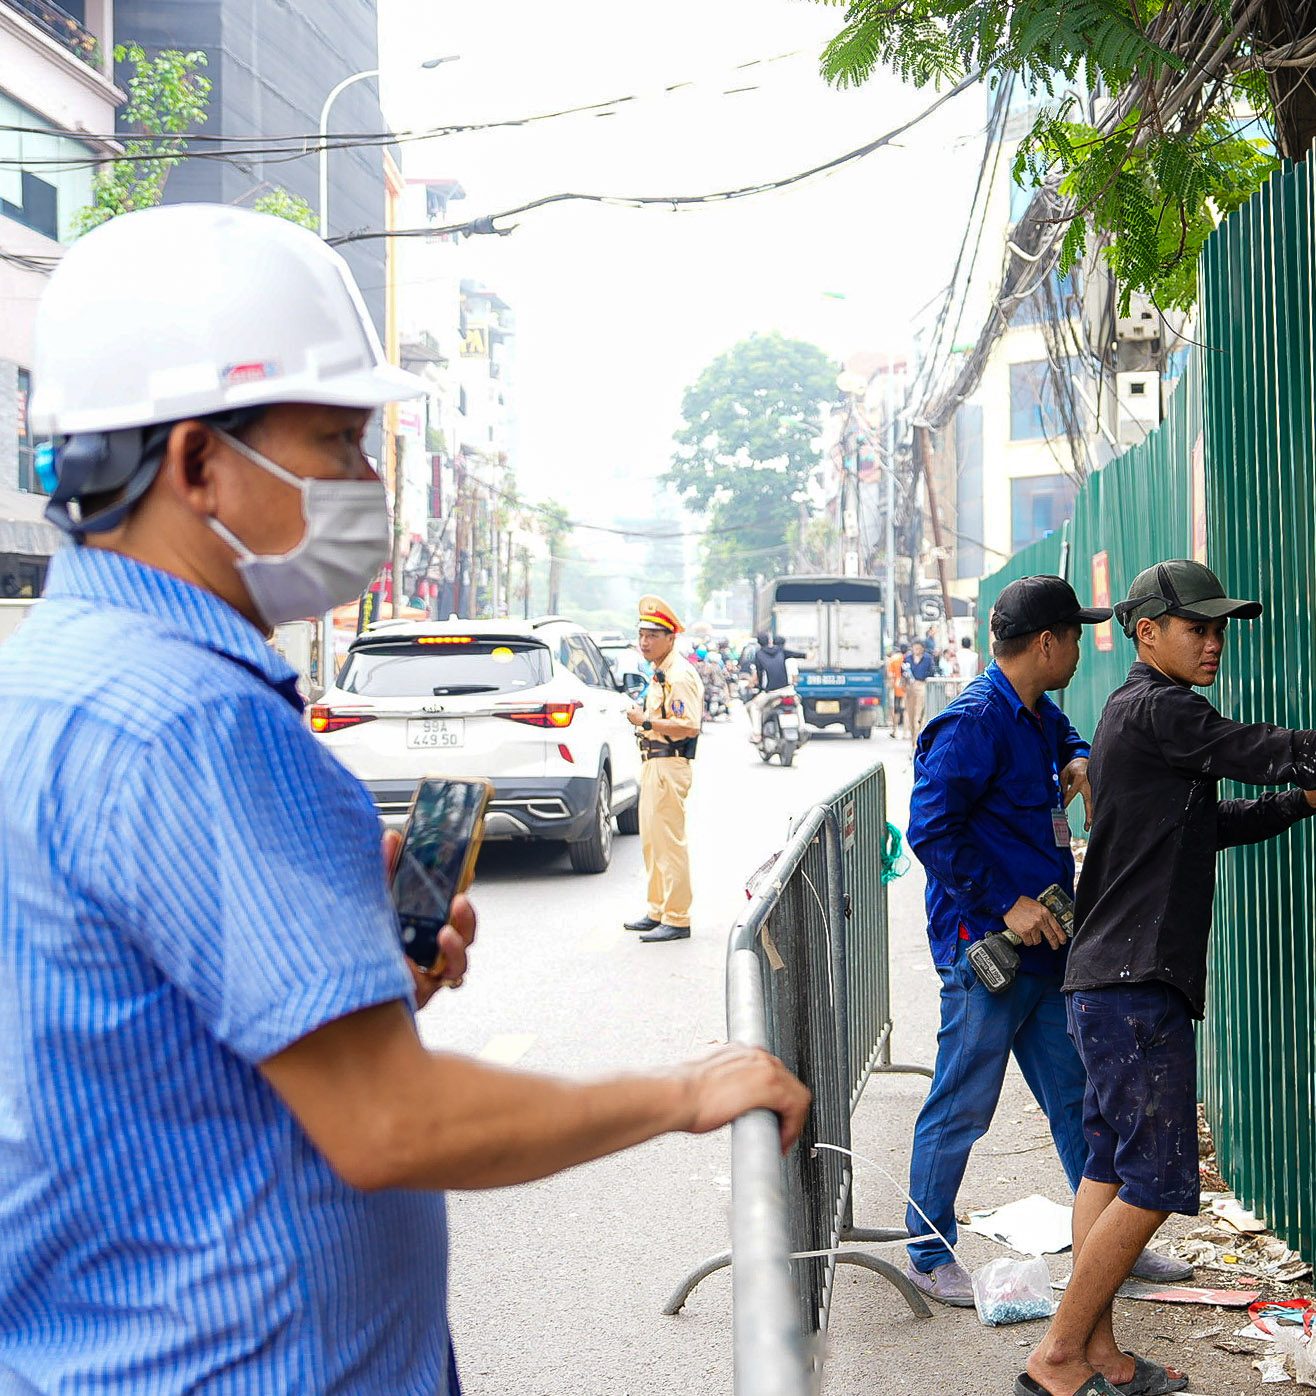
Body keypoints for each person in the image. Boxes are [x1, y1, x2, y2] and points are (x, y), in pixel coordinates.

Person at [0, 204, 810, 1394]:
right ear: (196, 464)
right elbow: (390, 1124)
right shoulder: (197, 719)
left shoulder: (49, 680)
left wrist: (360, 974)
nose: (366, 483)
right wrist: (686, 1090)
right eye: (335, 441)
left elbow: (131, 1032)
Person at [1021, 560, 1316, 1396]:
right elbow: (1261, 749)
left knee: (1108, 1168)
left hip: (1107, 981)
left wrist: (1296, 804)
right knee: (1157, 1178)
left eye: (1219, 628)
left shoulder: (1134, 715)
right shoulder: (1164, 708)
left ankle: (1098, 1354)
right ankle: (1058, 1357)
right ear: (1146, 633)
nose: (1212, 642)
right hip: (1132, 985)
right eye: (1196, 628)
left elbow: (1200, 825)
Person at [900, 576, 1192, 1310]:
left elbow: (1072, 742)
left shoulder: (1035, 714)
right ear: (1046, 643)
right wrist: (1007, 904)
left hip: (1048, 945)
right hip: (986, 953)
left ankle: (1108, 1243)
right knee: (962, 1104)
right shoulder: (970, 724)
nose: (1080, 651)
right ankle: (927, 1251)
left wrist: (1085, 759)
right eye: (1074, 637)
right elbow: (931, 831)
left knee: (1078, 1098)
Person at [622, 595, 704, 943]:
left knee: (669, 843)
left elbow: (689, 725)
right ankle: (658, 909)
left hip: (670, 764)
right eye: (642, 634)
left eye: (653, 635)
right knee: (652, 843)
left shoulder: (679, 674)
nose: (645, 642)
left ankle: (678, 917)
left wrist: (646, 720)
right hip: (654, 764)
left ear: (671, 638)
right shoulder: (661, 673)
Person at [742, 630, 806, 735]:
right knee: (798, 705)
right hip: (787, 690)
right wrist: (806, 655)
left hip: (771, 692)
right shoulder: (782, 652)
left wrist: (760, 688)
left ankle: (757, 733)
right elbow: (797, 655)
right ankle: (802, 728)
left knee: (753, 707)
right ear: (770, 641)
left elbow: (759, 674)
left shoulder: (759, 654)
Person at [902, 637, 939, 741]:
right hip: (910, 687)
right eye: (915, 648)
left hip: (922, 685)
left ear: (923, 648)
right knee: (910, 713)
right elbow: (903, 671)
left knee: (918, 715)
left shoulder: (927, 658)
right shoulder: (907, 658)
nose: (917, 650)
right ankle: (913, 740)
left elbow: (931, 671)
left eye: (919, 648)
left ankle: (917, 741)